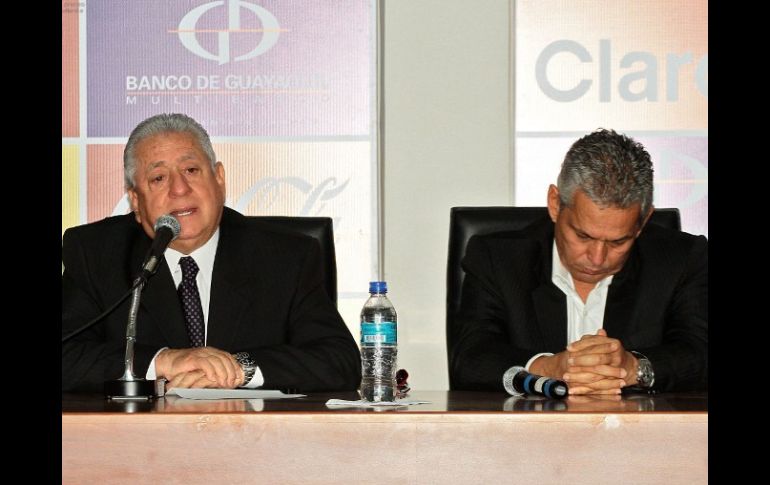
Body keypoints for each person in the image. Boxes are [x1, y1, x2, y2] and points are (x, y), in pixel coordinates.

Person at [62, 113, 361, 392]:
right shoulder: (96, 253)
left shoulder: (285, 256)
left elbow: (340, 360)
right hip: (139, 432)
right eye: (158, 178)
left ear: (219, 179)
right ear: (136, 201)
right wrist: (164, 362)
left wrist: (238, 369)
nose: (179, 189)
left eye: (191, 170)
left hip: (251, 430)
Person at [450, 128, 707, 394]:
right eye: (583, 236)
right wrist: (548, 367)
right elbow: (469, 360)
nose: (597, 258)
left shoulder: (681, 260)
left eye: (618, 242)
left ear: (643, 222)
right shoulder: (499, 259)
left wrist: (634, 368)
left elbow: (699, 353)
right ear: (555, 204)